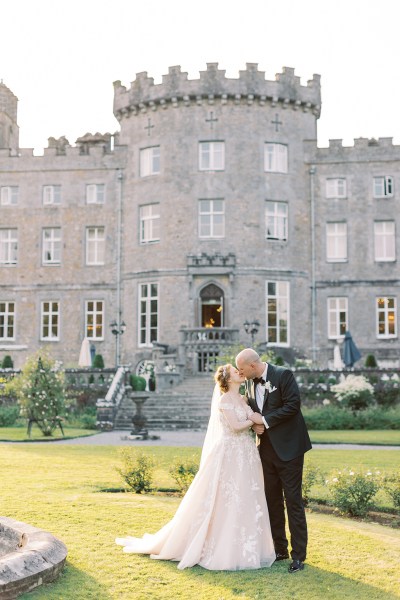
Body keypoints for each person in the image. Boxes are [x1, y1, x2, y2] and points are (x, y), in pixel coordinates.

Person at [116, 364, 276, 571]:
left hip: (245, 454)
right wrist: (253, 420)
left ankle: (245, 545)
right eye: (236, 371)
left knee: (245, 495)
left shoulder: (244, 398)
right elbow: (236, 427)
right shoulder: (224, 400)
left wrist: (255, 422)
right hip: (229, 453)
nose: (240, 372)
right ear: (228, 379)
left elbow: (248, 421)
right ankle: (216, 546)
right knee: (224, 497)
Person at [236, 348, 312, 574]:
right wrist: (254, 422)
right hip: (265, 450)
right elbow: (251, 410)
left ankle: (299, 556)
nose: (240, 373)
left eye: (241, 369)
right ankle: (280, 549)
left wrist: (265, 421)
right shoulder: (249, 382)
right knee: (271, 501)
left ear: (252, 365)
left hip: (290, 449)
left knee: (293, 501)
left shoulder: (283, 375)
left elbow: (292, 405)